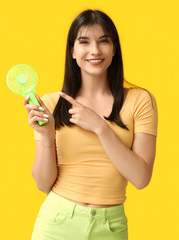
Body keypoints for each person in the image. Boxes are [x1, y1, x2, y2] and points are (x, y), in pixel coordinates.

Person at [23, 9, 158, 240]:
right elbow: (43, 184)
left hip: (110, 226)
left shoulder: (140, 100)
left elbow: (141, 178)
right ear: (73, 51)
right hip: (56, 222)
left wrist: (100, 127)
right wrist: (46, 136)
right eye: (84, 42)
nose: (95, 50)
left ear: (114, 49)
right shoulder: (52, 103)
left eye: (103, 41)